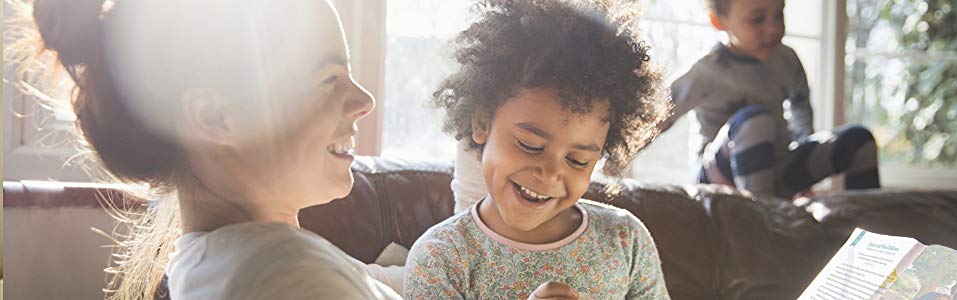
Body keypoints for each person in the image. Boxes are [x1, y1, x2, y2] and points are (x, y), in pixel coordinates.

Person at [13, 0, 399, 298]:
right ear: (214, 117)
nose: (364, 101)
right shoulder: (289, 278)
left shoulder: (211, 259)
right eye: (328, 78)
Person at [405, 0, 672, 299]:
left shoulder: (625, 240)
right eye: (530, 145)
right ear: (481, 122)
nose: (551, 173)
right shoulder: (442, 258)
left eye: (578, 160)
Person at [658, 0, 881, 200]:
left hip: (778, 171)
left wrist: (803, 151)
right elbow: (652, 119)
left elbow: (801, 107)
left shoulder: (787, 59)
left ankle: (865, 233)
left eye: (779, 14)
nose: (773, 28)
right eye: (757, 19)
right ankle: (764, 220)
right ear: (719, 21)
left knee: (859, 140)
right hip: (719, 180)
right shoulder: (705, 71)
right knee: (756, 121)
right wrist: (622, 160)